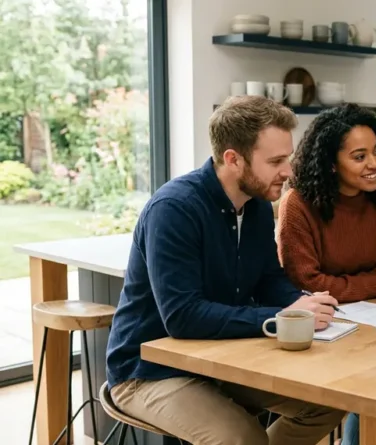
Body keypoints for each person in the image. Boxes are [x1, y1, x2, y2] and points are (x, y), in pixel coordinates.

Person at [105, 95, 345, 445]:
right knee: (243, 439)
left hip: (220, 358)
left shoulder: (258, 204)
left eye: (288, 158)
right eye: (277, 160)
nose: (289, 171)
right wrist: (280, 316)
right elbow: (183, 316)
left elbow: (267, 279)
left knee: (327, 404)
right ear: (233, 159)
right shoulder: (174, 210)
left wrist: (304, 307)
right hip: (148, 370)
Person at [276, 104, 376, 445]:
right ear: (332, 164)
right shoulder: (299, 204)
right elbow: (307, 285)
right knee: (367, 393)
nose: (374, 164)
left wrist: (360, 284)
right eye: (359, 156)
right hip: (324, 333)